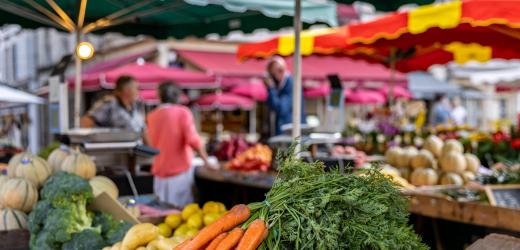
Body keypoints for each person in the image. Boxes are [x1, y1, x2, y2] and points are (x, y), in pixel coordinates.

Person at [146, 82, 210, 207]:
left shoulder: (152, 116)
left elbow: (151, 142)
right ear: (178, 96)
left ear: (160, 96)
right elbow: (193, 140)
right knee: (181, 215)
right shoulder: (183, 112)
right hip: (179, 173)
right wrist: (207, 161)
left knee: (162, 214)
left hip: (159, 174)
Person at [80, 75, 147, 141]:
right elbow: (86, 121)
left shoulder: (135, 106)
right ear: (127, 90)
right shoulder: (109, 103)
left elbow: (143, 131)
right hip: (116, 150)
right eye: (136, 88)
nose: (138, 92)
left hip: (137, 149)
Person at [263, 56, 304, 135]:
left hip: (290, 133)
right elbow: (270, 106)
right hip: (282, 132)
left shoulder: (290, 84)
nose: (275, 76)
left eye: (279, 71)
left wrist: (271, 89)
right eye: (272, 73)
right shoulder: (279, 87)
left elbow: (281, 109)